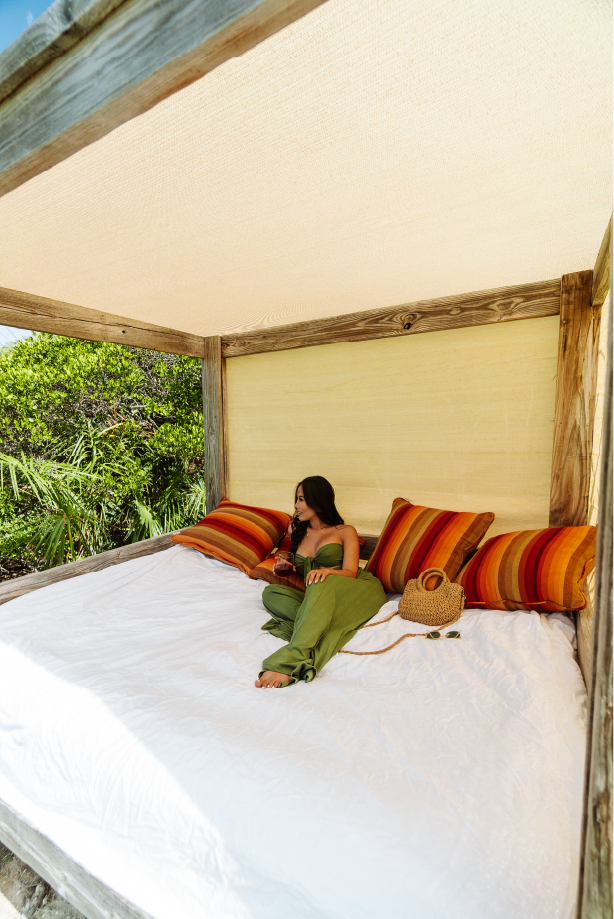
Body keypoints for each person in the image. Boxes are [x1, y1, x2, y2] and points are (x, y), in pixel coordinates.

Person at [255, 476, 386, 688]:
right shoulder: (296, 531)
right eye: (296, 500)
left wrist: (327, 572)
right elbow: (304, 575)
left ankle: (291, 658)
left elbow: (351, 572)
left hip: (354, 590)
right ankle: (315, 623)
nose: (296, 506)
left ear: (318, 500)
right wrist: (288, 569)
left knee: (320, 581)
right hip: (318, 594)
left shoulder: (345, 531)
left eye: (301, 500)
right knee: (270, 594)